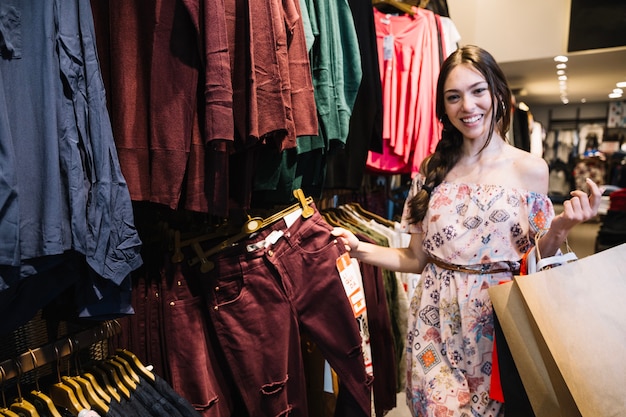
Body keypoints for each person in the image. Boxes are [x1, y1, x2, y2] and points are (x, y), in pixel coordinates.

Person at [332, 45, 602, 417]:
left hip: (500, 324)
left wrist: (560, 228)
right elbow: (415, 258)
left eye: (478, 91)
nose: (467, 106)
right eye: (453, 97)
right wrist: (359, 248)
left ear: (497, 94)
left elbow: (540, 267)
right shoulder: (431, 170)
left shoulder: (530, 169)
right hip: (435, 322)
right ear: (444, 108)